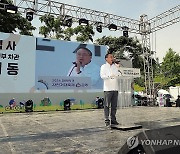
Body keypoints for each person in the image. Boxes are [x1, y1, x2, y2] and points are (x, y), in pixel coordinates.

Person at [100, 53, 120, 127]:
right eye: (110, 57)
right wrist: (109, 76)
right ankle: (107, 120)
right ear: (106, 59)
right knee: (107, 105)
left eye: (112, 57)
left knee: (114, 106)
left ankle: (113, 120)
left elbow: (119, 74)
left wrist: (118, 69)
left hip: (115, 88)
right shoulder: (103, 66)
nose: (112, 58)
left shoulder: (115, 66)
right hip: (108, 89)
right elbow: (102, 76)